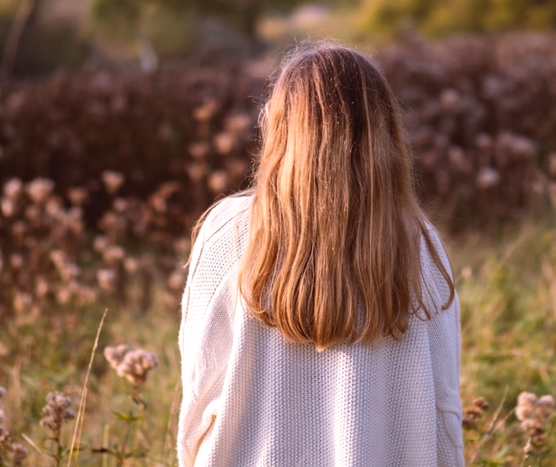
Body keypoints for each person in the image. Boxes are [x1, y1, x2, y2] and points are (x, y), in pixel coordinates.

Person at [177, 43, 464, 466]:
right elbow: (443, 406)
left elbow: (199, 395)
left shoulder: (229, 232)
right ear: (383, 131)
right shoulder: (419, 243)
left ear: (281, 127)